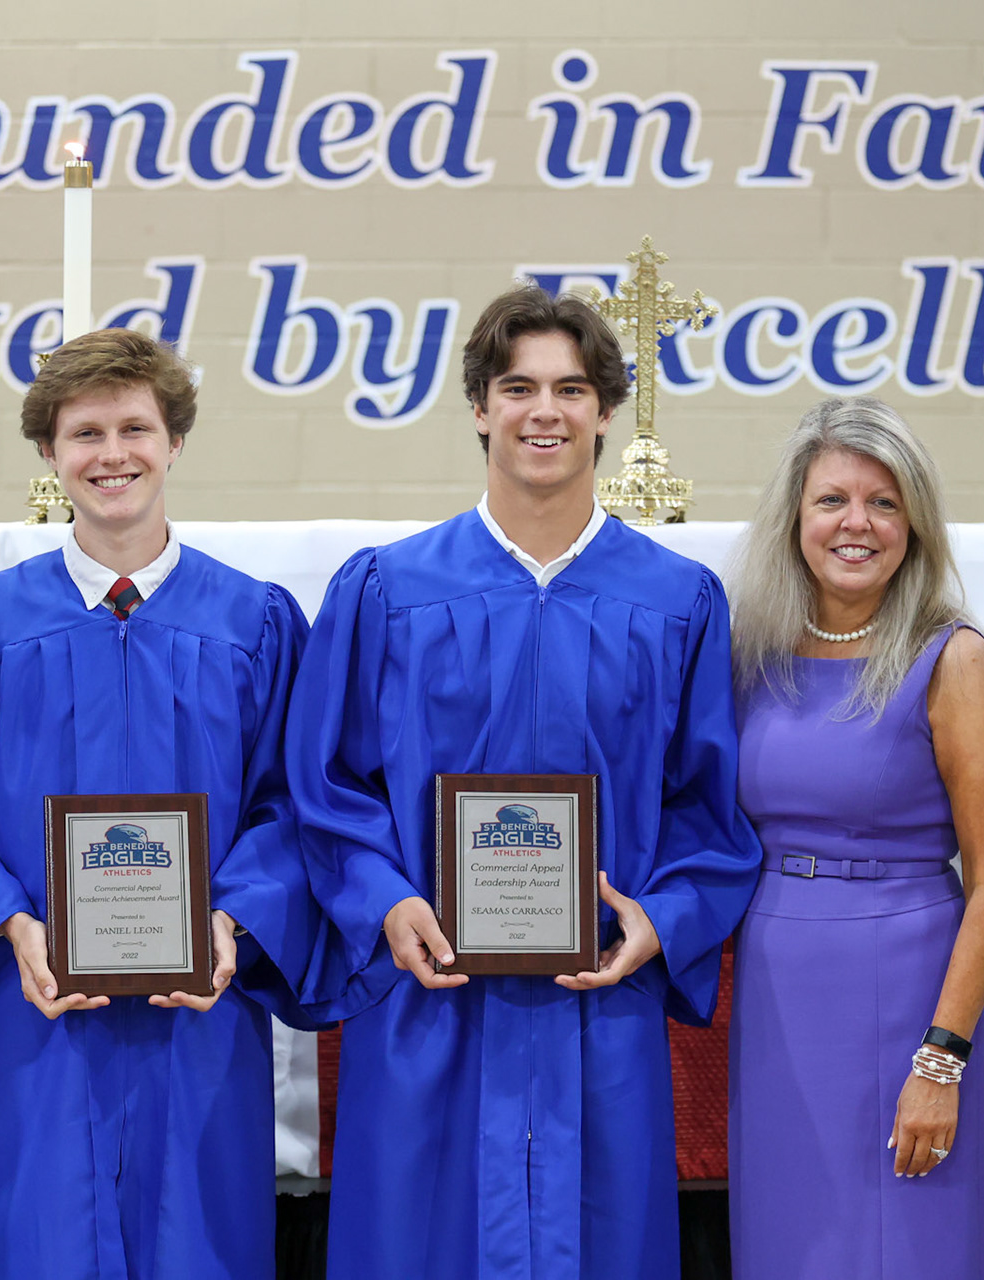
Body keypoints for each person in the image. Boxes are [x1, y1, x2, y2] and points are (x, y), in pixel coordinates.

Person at [288, 284, 762, 1280]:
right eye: (517, 387)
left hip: (597, 995)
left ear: (603, 410)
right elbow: (325, 783)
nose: (543, 409)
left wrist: (662, 918)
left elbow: (709, 807)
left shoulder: (676, 601)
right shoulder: (389, 588)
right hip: (432, 987)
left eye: (570, 388)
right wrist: (387, 900)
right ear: (478, 406)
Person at [0, 327, 320, 1280]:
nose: (113, 455)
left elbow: (300, 804)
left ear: (174, 441)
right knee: (42, 1243)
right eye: (85, 433)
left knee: (201, 1242)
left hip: (202, 1009)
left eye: (135, 428)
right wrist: (6, 920)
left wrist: (233, 919)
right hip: (35, 1008)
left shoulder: (254, 622)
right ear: (51, 452)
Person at [723, 396, 984, 1279]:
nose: (857, 523)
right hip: (777, 992)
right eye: (832, 501)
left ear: (915, 524)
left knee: (910, 1246)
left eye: (884, 503)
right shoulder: (752, 654)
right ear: (795, 518)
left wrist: (942, 1059)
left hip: (907, 992)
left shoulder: (951, 657)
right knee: (788, 1242)